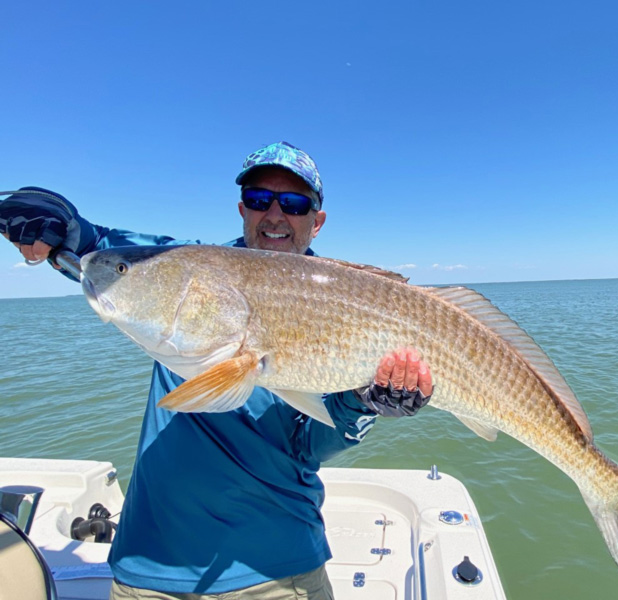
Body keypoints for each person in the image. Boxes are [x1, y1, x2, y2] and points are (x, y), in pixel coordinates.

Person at [0, 142, 434, 600]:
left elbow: (310, 445)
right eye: (258, 198)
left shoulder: (349, 300)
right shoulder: (187, 265)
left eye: (293, 203)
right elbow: (106, 256)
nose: (274, 214)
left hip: (278, 570)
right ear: (241, 209)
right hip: (149, 565)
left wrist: (363, 403)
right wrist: (60, 228)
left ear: (316, 220)